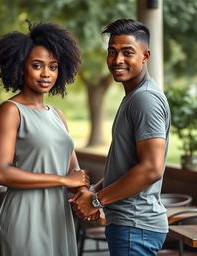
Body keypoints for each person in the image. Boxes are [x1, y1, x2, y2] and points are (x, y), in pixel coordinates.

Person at [69, 18, 171, 256]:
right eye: (112, 52)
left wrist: (96, 201)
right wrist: (93, 191)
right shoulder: (134, 96)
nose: (117, 60)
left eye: (127, 53)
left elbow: (151, 169)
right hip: (130, 225)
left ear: (145, 56)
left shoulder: (144, 99)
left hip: (135, 226)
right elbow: (127, 166)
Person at [0, 21, 90, 256]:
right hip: (25, 215)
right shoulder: (10, 111)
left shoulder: (58, 115)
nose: (46, 73)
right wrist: (63, 181)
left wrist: (83, 191)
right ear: (21, 68)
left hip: (58, 216)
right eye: (37, 65)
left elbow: (74, 169)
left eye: (53, 67)